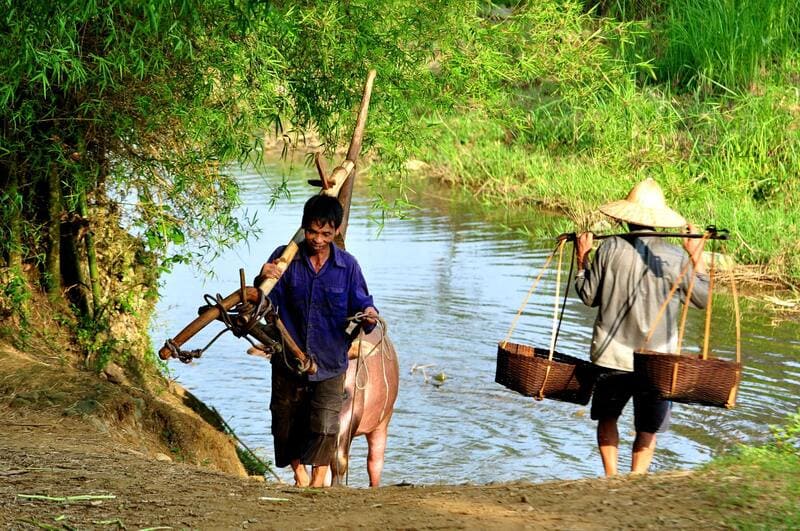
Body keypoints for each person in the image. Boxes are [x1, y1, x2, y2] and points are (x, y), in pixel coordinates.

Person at [574, 178, 709, 477]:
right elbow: (703, 298)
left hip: (612, 356)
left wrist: (582, 257)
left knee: (607, 417)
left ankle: (611, 478)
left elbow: (588, 296)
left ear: (626, 218)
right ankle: (637, 480)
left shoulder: (609, 248)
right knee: (648, 427)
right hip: (657, 362)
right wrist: (696, 255)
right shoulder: (675, 258)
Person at [257, 194, 378, 487]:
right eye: (313, 232)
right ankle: (300, 476)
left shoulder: (348, 266)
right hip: (288, 360)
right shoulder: (284, 258)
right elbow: (262, 303)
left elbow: (363, 303)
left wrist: (370, 314)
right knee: (285, 423)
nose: (318, 239)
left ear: (336, 231)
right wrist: (262, 278)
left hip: (329, 362)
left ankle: (317, 482)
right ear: (303, 228)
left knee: (325, 425)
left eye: (326, 233)